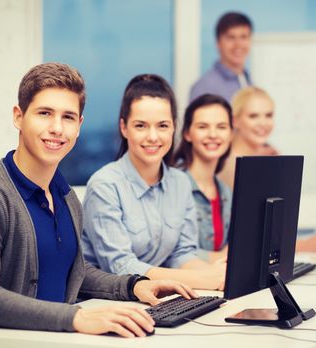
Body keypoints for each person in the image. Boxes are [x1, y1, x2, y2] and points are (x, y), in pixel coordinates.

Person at [0, 63, 197, 348]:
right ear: (18, 116)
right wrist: (77, 317)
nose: (56, 128)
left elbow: (73, 271)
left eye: (68, 117)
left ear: (79, 126)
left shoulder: (66, 198)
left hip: (55, 342)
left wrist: (132, 286)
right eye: (44, 113)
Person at [81, 74, 226, 291]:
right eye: (141, 126)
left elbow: (182, 254)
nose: (153, 136)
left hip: (157, 299)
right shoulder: (105, 185)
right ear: (124, 128)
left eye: (162, 126)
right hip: (107, 302)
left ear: (174, 128)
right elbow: (121, 266)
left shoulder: (180, 183)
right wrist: (205, 280)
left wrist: (218, 275)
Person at [219, 86, 316, 253]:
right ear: (235, 121)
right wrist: (304, 245)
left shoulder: (264, 155)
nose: (263, 123)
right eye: (253, 116)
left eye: (268, 115)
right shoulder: (231, 165)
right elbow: (248, 236)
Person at [174, 94, 233, 263]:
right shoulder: (172, 185)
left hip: (214, 284)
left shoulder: (226, 193)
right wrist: (223, 257)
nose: (213, 134)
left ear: (230, 134)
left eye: (221, 127)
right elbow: (171, 253)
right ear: (187, 133)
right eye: (203, 126)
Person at [189, 12, 253, 103]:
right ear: (218, 43)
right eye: (231, 37)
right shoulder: (204, 87)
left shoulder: (248, 80)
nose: (238, 44)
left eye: (244, 37)